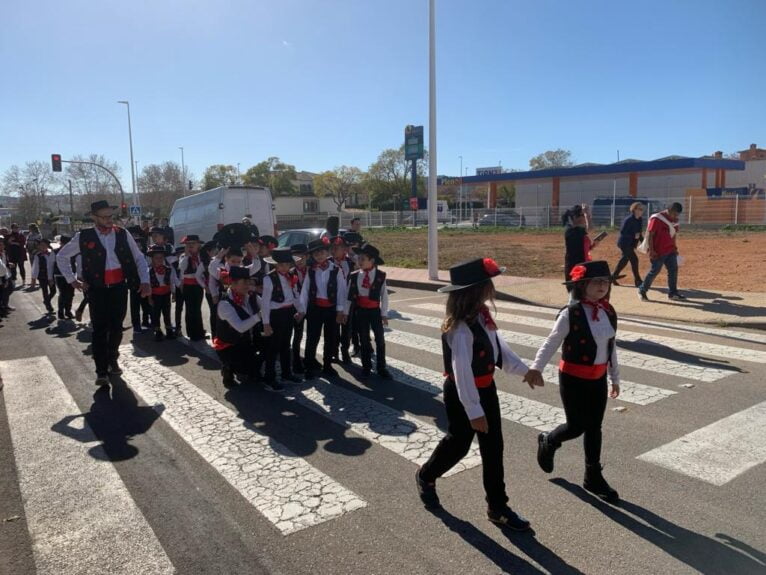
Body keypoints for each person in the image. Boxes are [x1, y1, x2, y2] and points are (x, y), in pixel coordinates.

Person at [416, 258, 543, 530]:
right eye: (488, 285)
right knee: (459, 444)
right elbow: (462, 374)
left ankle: (497, 506)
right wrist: (474, 411)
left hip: (485, 388)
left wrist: (526, 371)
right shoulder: (460, 329)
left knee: (493, 447)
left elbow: (500, 350)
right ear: (476, 290)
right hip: (464, 393)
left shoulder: (482, 317)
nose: (492, 290)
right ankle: (426, 475)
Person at [528, 260, 621, 503]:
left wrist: (615, 378)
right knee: (576, 426)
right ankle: (549, 441)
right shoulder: (571, 313)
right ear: (582, 285)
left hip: (598, 378)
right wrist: (536, 368)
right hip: (573, 378)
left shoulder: (608, 311)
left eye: (605, 281)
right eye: (596, 281)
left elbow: (611, 347)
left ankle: (593, 476)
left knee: (595, 428)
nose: (602, 285)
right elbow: (551, 341)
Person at [57, 200, 150, 386]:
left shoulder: (122, 233)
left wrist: (145, 281)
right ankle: (101, 371)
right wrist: (72, 280)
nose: (109, 220)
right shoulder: (83, 236)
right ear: (94, 217)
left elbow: (139, 258)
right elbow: (62, 256)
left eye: (111, 216)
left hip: (119, 288)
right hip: (97, 290)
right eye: (105, 216)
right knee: (99, 329)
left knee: (116, 327)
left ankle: (113, 358)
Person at [297, 237, 346, 378]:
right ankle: (309, 365)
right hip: (315, 309)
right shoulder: (311, 271)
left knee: (330, 338)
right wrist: (302, 310)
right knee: (312, 337)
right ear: (312, 256)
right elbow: (305, 291)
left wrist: (340, 310)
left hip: (331, 309)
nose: (319, 255)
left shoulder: (336, 269)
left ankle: (327, 364)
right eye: (315, 254)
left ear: (327, 252)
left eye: (321, 252)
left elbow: (341, 291)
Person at [345, 243, 391, 378]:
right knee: (364, 339)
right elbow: (348, 296)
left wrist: (384, 314)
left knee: (380, 339)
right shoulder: (354, 276)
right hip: (361, 311)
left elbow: (384, 295)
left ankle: (381, 367)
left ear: (372, 261)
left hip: (375, 311)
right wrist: (345, 312)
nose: (359, 261)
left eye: (363, 259)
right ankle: (366, 366)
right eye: (359, 258)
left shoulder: (380, 275)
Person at [261, 247, 304, 391]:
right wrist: (266, 323)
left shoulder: (292, 276)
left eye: (287, 264)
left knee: (286, 345)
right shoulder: (269, 279)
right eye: (281, 264)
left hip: (288, 313)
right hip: (275, 315)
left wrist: (300, 310)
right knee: (273, 348)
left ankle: (287, 373)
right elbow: (265, 303)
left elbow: (295, 295)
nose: (285, 267)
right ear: (275, 264)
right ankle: (269, 377)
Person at [212, 266, 261, 389]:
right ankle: (228, 367)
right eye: (244, 282)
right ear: (233, 284)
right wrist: (259, 315)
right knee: (245, 373)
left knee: (255, 371)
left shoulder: (249, 296)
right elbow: (240, 327)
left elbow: (266, 304)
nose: (247, 285)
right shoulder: (225, 304)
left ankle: (247, 365)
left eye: (248, 282)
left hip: (245, 341)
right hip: (230, 345)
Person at [638, 202, 685, 302]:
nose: (676, 216)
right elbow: (650, 234)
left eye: (677, 215)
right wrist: (651, 250)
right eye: (675, 214)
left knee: (673, 270)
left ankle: (673, 293)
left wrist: (675, 248)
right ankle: (642, 290)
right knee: (655, 271)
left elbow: (673, 235)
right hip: (658, 251)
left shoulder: (675, 220)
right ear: (670, 210)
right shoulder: (657, 218)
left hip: (670, 250)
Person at [562, 204, 602, 284]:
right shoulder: (571, 230)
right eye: (582, 215)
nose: (585, 217)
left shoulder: (579, 231)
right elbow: (591, 228)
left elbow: (581, 248)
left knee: (584, 292)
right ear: (575, 217)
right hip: (575, 267)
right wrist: (587, 214)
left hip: (584, 264)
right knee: (575, 292)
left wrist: (593, 246)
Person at [178, 235, 207, 341]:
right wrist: (186, 255)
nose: (190, 246)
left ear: (198, 245)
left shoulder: (201, 256)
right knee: (190, 309)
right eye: (188, 244)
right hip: (188, 286)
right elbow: (182, 268)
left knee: (197, 309)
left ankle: (199, 331)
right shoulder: (183, 257)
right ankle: (192, 333)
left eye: (193, 244)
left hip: (198, 285)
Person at [330, 235, 354, 364]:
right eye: (332, 248)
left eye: (337, 248)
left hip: (348, 301)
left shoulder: (352, 263)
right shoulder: (327, 262)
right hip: (333, 300)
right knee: (334, 328)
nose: (333, 251)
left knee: (347, 328)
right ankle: (334, 352)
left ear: (344, 249)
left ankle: (345, 351)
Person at [147, 244, 179, 341]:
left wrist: (173, 293)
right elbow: (148, 285)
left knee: (166, 312)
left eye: (161, 258)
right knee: (155, 313)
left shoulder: (169, 269)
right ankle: (157, 331)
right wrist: (149, 297)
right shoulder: (149, 271)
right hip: (155, 295)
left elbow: (173, 281)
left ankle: (169, 329)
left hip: (166, 294)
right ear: (152, 259)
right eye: (157, 258)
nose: (159, 260)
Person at [612, 202, 644, 287]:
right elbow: (623, 232)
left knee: (625, 260)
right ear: (634, 210)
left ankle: (613, 277)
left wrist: (644, 243)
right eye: (640, 209)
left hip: (631, 244)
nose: (642, 211)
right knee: (634, 260)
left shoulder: (640, 220)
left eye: (642, 209)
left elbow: (639, 233)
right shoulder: (628, 220)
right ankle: (638, 280)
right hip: (624, 243)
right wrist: (634, 235)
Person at [289, 243, 309, 374]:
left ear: (306, 257)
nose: (298, 261)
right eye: (295, 258)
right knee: (297, 334)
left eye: (301, 257)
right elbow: (293, 294)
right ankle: (296, 361)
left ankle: (309, 359)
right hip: (296, 308)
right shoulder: (290, 273)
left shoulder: (312, 270)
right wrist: (300, 310)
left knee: (312, 335)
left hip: (312, 307)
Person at [128, 226, 152, 333]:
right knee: (135, 303)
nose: (136, 240)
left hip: (145, 280)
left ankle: (146, 321)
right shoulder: (127, 251)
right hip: (133, 280)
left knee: (146, 302)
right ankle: (136, 324)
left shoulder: (146, 251)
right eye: (133, 236)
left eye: (137, 236)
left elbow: (148, 263)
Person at [53, 235, 76, 319]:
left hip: (71, 275)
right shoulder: (55, 252)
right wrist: (50, 277)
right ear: (61, 243)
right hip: (59, 275)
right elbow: (50, 265)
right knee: (63, 293)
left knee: (70, 294)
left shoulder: (73, 252)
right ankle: (60, 312)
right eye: (65, 243)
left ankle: (68, 311)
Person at [31, 238, 56, 314]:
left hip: (51, 276)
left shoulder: (52, 253)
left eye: (44, 245)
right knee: (45, 291)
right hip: (42, 276)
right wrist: (34, 279)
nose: (42, 247)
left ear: (47, 246)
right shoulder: (37, 256)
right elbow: (35, 268)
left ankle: (46, 301)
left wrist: (51, 278)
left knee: (53, 291)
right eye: (41, 245)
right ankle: (49, 307)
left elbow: (52, 265)